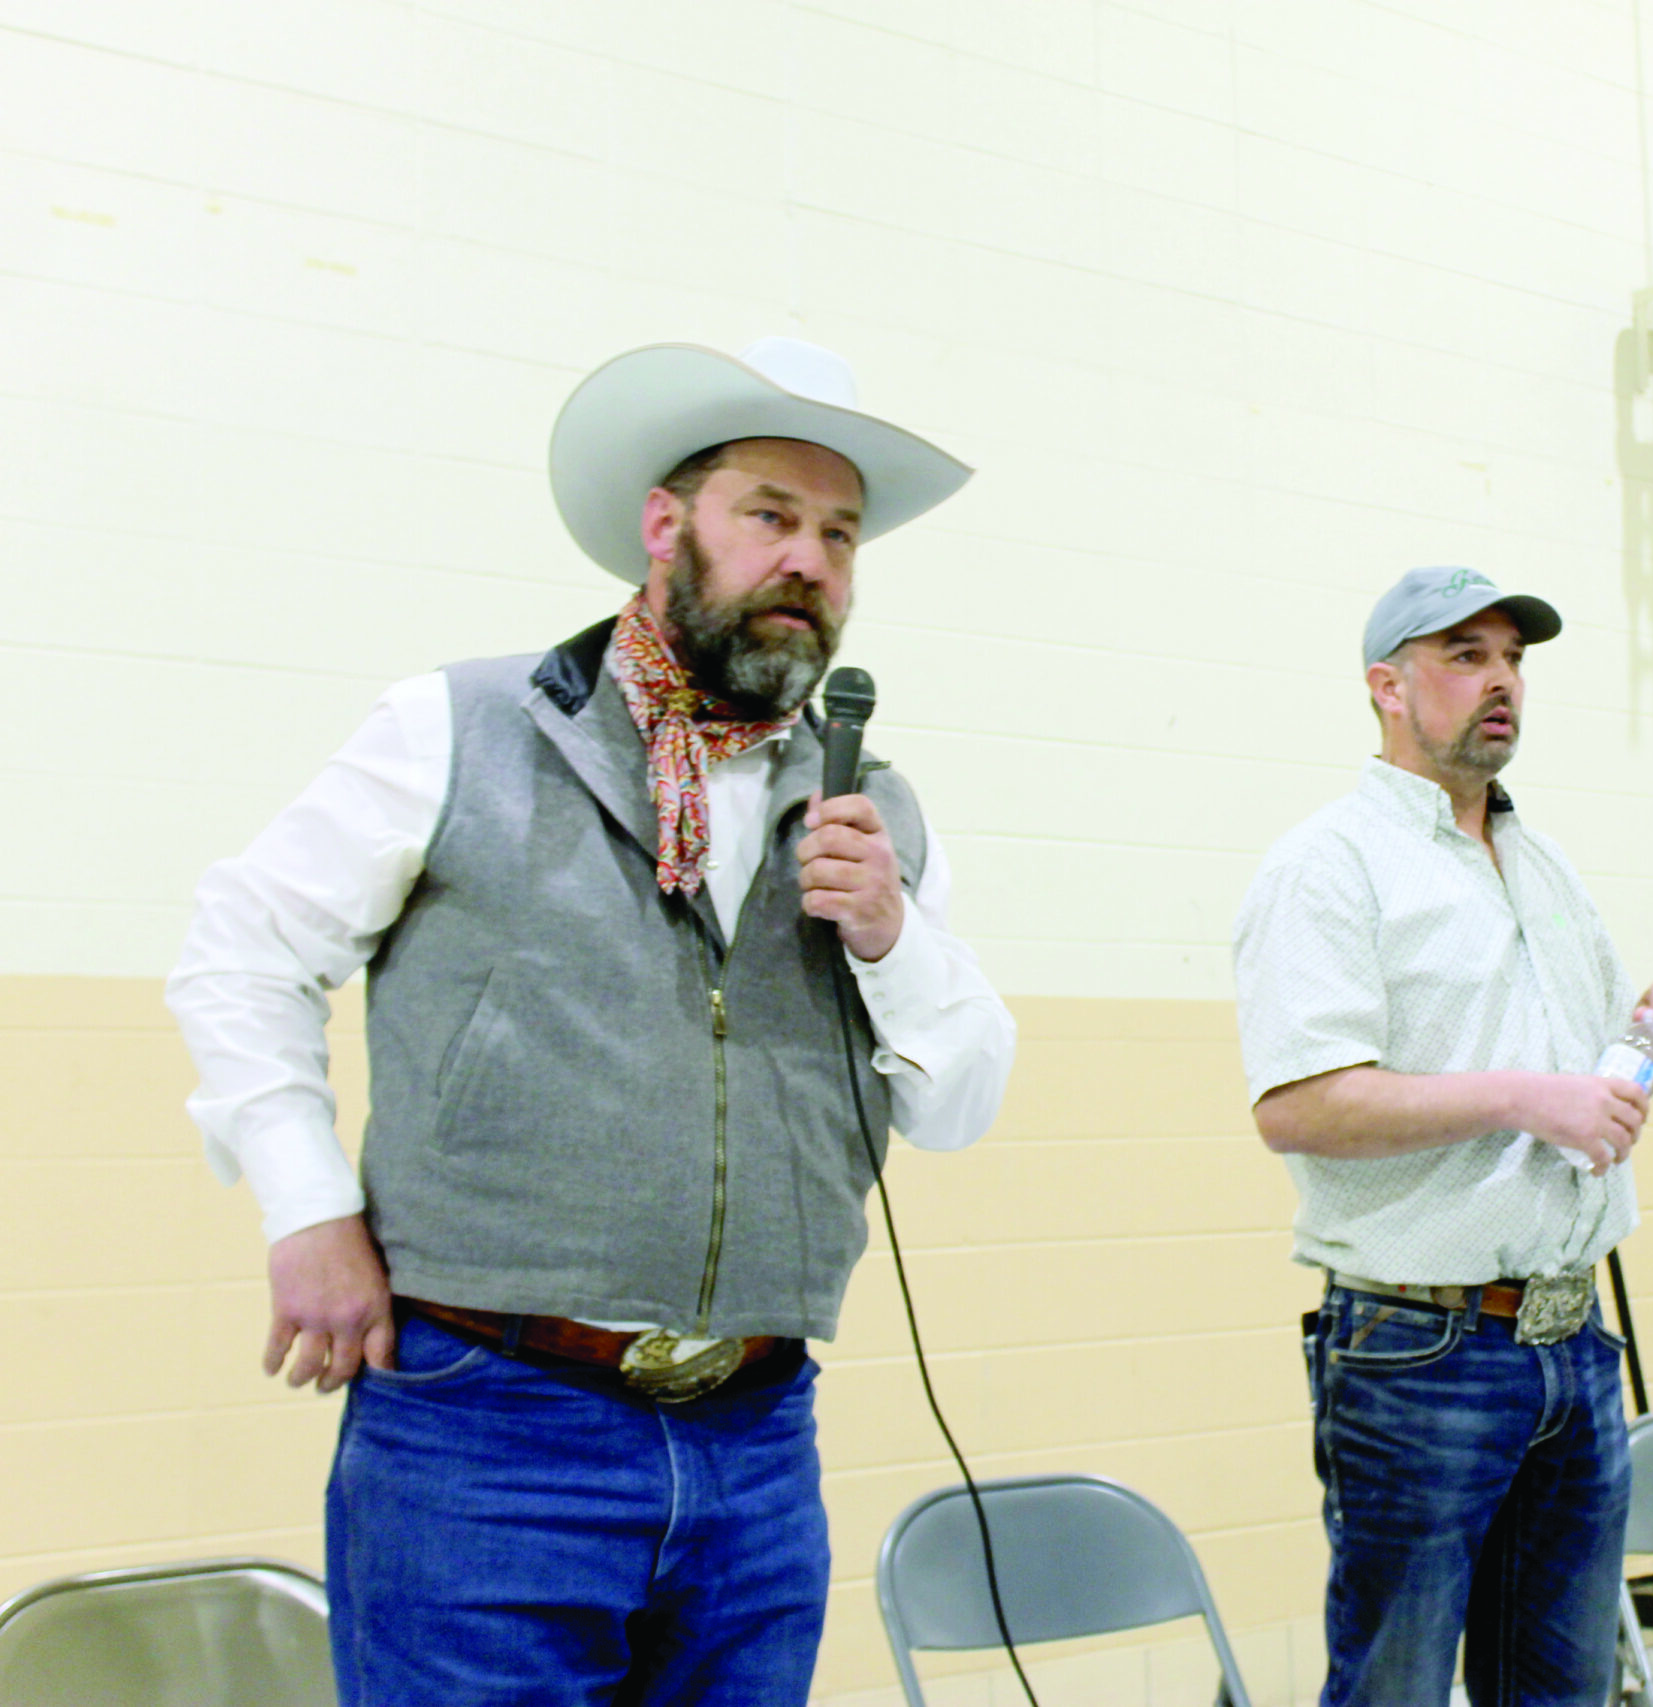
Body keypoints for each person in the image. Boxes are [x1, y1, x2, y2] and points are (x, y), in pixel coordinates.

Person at [167, 337, 1016, 1703]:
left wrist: (891, 933)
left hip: (755, 1441)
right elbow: (241, 950)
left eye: (839, 534)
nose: (808, 561)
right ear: (666, 526)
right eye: (770, 516)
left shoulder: (872, 809)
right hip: (489, 1427)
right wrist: (306, 1206)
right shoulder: (465, 727)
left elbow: (961, 1105)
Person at [1231, 566, 1653, 1706]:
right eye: (1465, 656)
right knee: (1396, 1687)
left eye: (1512, 660)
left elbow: (1577, 1084)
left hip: (1573, 1340)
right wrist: (1517, 1097)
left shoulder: (1542, 865)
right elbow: (1297, 1106)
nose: (1501, 681)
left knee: (1561, 1690)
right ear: (1386, 687)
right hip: (1421, 1352)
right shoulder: (1328, 864)